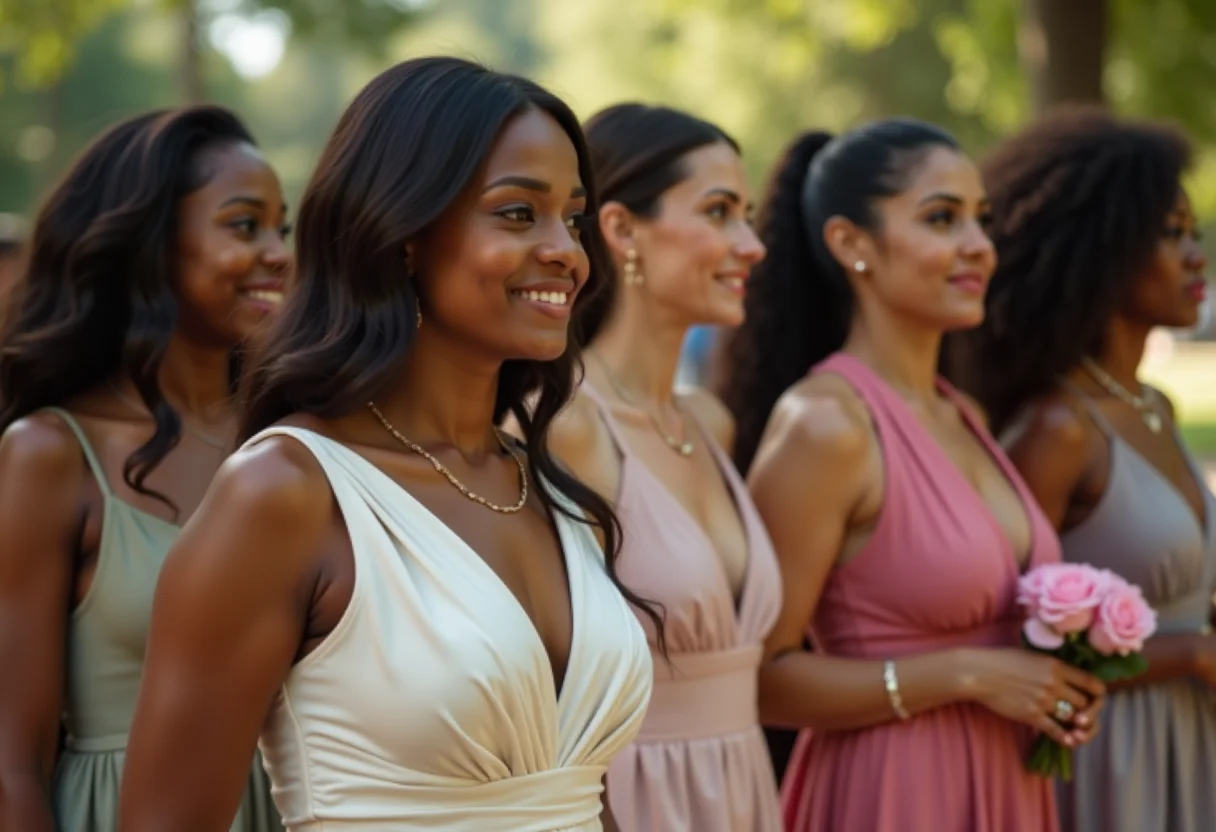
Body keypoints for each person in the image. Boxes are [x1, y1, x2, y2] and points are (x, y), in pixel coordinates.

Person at [118, 57, 656, 832]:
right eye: (517, 213)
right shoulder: (285, 493)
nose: (567, 252)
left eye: (572, 219)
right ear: (403, 235)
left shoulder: (547, 490)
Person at [718, 121, 1106, 832]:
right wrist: (966, 674)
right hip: (894, 791)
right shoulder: (827, 426)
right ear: (851, 243)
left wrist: (1057, 680)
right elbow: (759, 679)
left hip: (1008, 783)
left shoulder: (966, 416)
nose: (980, 245)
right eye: (942, 218)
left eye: (982, 219)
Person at [0, 106, 289, 832]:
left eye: (282, 228)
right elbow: (11, 761)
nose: (280, 253)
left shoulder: (291, 441)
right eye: (245, 225)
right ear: (150, 243)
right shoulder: (50, 454)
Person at [949, 108, 1216, 832]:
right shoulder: (1059, 429)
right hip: (1110, 757)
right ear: (1105, 250)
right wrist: (1191, 654)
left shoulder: (1155, 405)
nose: (1196, 256)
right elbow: (1007, 643)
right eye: (1170, 234)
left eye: (1192, 232)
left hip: (1191, 734)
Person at [539, 103, 780, 831]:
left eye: (748, 216)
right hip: (633, 799)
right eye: (719, 212)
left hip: (743, 790)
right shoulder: (566, 426)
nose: (751, 245)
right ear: (620, 229)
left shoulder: (709, 421)